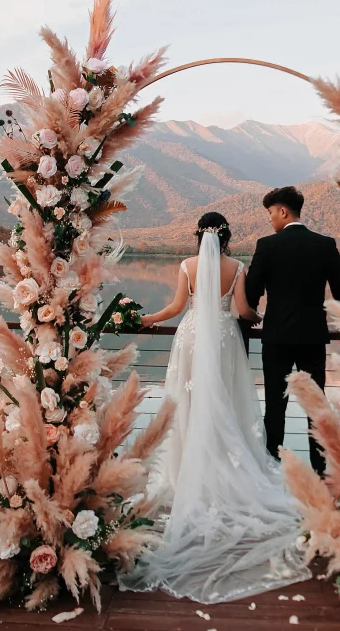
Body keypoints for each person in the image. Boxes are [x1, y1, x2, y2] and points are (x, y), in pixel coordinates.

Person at [119, 212, 310, 603]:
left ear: (197, 236)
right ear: (226, 236)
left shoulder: (187, 266)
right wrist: (262, 319)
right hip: (224, 340)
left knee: (186, 401)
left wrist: (146, 318)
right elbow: (242, 311)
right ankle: (224, 466)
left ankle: (185, 465)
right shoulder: (236, 266)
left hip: (191, 337)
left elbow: (175, 307)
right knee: (226, 401)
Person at [245, 186, 340, 477]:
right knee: (316, 407)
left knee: (275, 407)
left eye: (270, 214)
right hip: (313, 338)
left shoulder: (266, 246)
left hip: (276, 338)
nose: (270, 220)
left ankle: (271, 469)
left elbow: (251, 294)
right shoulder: (325, 245)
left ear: (282, 211)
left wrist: (248, 317)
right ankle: (321, 474)